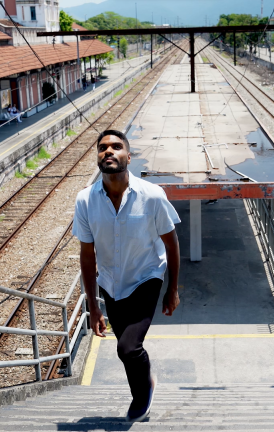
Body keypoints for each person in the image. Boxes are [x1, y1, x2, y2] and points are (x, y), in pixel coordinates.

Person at [73, 130, 181, 423]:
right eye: (103, 147)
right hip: (111, 283)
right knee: (127, 351)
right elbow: (87, 255)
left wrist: (172, 289)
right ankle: (147, 381)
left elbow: (171, 244)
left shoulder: (152, 195)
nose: (109, 151)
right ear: (97, 157)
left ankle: (141, 394)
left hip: (147, 277)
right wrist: (93, 306)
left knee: (128, 347)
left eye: (116, 146)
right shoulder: (85, 201)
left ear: (128, 157)